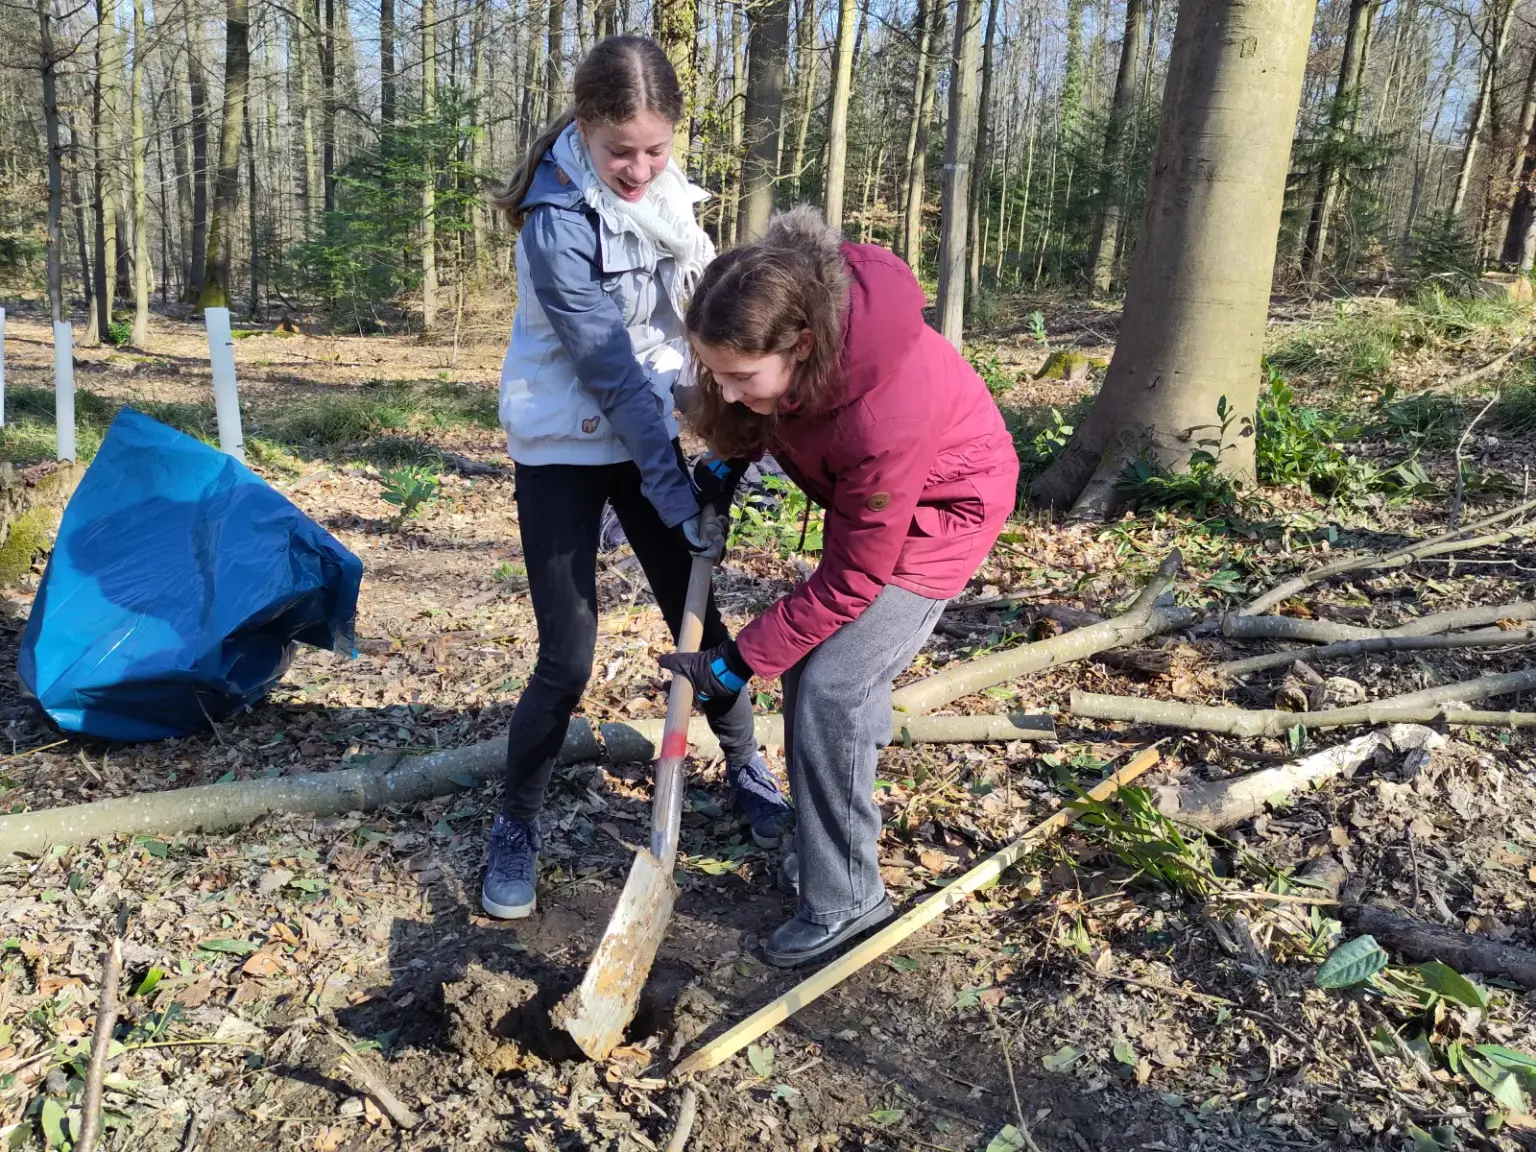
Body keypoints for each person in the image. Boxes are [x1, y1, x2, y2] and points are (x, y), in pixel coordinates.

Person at [480, 35, 790, 921]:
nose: (641, 169)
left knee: (700, 618)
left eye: (656, 150)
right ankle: (516, 821)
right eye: (623, 152)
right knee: (566, 656)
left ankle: (745, 765)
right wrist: (673, 491)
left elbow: (699, 327)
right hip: (563, 445)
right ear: (585, 128)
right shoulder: (557, 222)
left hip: (648, 431)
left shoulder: (670, 200)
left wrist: (724, 440)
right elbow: (611, 372)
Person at [660, 207, 1020, 967]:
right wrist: (728, 455)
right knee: (815, 679)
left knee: (833, 689)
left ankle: (850, 897)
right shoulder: (799, 325)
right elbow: (772, 408)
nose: (725, 392)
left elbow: (853, 578)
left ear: (802, 345)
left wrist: (736, 662)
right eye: (714, 373)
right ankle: (828, 842)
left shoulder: (883, 409)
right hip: (885, 503)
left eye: (740, 378)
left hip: (943, 515)